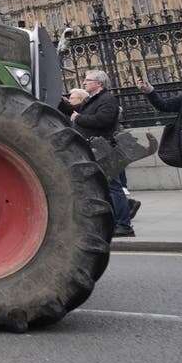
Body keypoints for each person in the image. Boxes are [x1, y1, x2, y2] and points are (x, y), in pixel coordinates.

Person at [71, 70, 134, 238]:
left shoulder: (108, 99)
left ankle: (124, 225)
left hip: (104, 148)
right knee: (105, 187)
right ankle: (113, 222)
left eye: (87, 80)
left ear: (98, 83)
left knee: (113, 187)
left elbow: (103, 121)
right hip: (93, 148)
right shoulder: (94, 100)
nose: (84, 82)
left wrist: (78, 119)